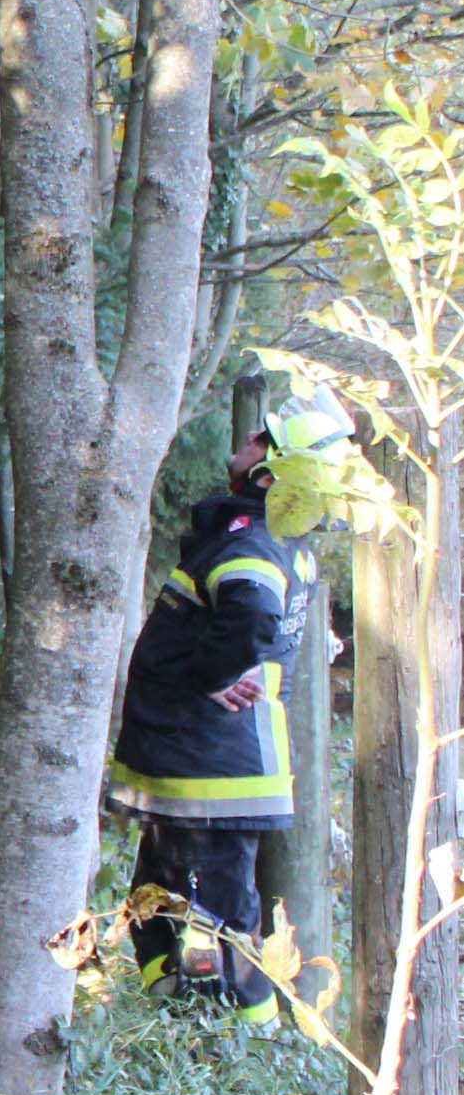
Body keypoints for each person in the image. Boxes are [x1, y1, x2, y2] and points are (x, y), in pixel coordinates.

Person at [106, 383, 357, 1028]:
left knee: (220, 920)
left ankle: (249, 1040)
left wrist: (212, 675)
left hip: (211, 770)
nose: (246, 438)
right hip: (204, 765)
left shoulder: (251, 542)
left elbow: (251, 615)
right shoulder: (270, 540)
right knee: (159, 902)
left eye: (261, 438)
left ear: (272, 473)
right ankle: (173, 1018)